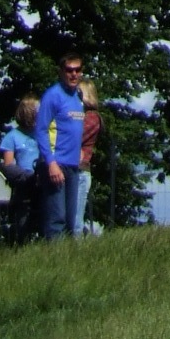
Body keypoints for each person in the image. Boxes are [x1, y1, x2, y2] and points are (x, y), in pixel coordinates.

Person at [37, 49, 89, 239]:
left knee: (71, 219)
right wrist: (51, 163)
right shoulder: (53, 95)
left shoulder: (78, 97)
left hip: (73, 164)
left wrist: (81, 149)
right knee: (56, 219)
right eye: (69, 70)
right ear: (61, 71)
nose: (73, 74)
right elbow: (41, 130)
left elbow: (74, 127)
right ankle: (53, 259)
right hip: (56, 164)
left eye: (77, 70)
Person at [0, 96, 41, 246]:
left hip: (41, 179)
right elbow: (8, 164)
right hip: (24, 182)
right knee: (23, 217)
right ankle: (22, 243)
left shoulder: (42, 134)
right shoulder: (12, 137)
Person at [74, 82, 102, 232]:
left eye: (79, 93)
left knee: (75, 219)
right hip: (70, 169)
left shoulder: (92, 117)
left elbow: (76, 136)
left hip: (80, 171)